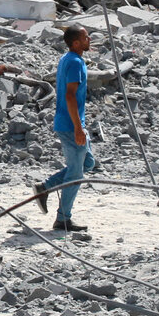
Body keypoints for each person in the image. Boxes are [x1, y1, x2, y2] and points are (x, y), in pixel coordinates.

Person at [34, 25, 95, 233]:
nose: (90, 39)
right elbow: (70, 96)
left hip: (72, 122)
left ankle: (45, 188)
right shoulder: (75, 62)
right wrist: (78, 128)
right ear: (76, 43)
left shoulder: (68, 59)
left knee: (88, 163)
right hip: (71, 125)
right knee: (76, 175)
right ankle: (63, 219)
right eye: (86, 37)